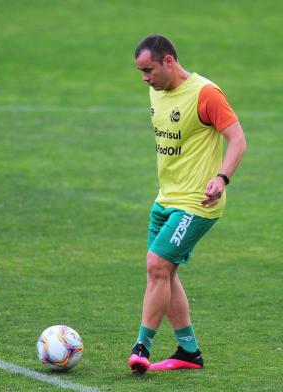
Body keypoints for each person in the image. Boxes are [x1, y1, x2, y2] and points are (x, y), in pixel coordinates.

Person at [128, 34, 246, 374]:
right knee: (165, 272)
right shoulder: (155, 90)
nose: (145, 78)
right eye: (140, 71)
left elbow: (238, 139)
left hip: (199, 202)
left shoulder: (205, 94)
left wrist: (221, 178)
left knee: (156, 265)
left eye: (148, 69)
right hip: (165, 198)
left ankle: (142, 347)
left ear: (168, 61)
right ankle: (188, 352)